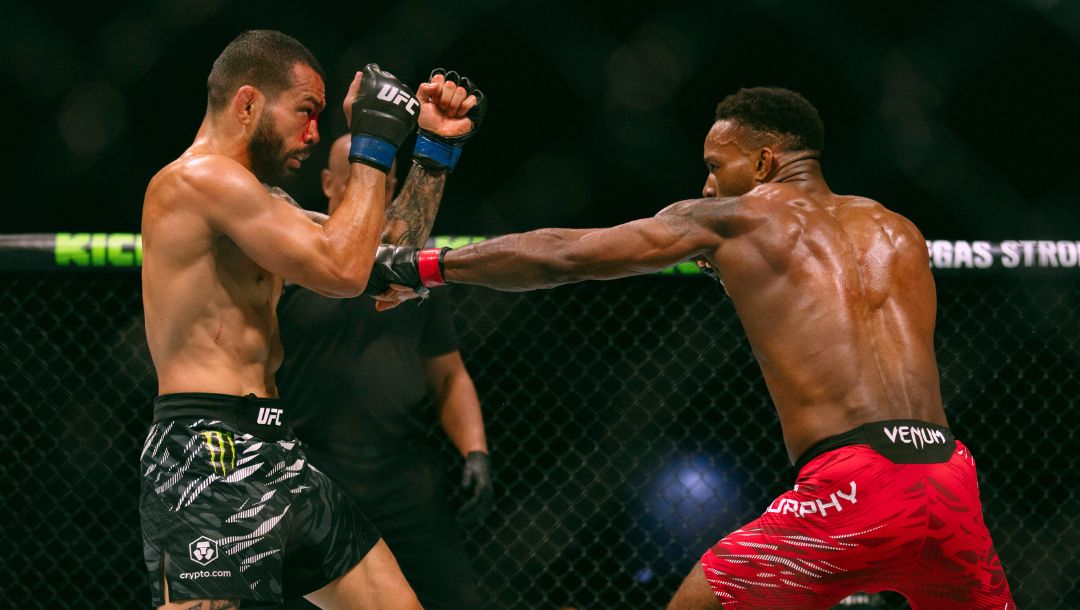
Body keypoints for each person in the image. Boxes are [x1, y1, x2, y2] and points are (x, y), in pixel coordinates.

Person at [365, 87, 1016, 608]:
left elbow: (566, 254)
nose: (705, 185)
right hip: (950, 478)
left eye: (715, 166)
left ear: (763, 163)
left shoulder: (734, 219)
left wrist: (424, 266)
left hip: (851, 485)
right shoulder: (898, 229)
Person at [139, 29, 478, 609]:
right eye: (306, 111)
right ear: (247, 103)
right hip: (210, 449)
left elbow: (381, 263)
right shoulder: (196, 181)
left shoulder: (263, 205)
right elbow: (342, 270)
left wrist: (431, 152)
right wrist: (372, 137)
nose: (316, 134)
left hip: (279, 451)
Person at [275, 127, 492, 609]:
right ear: (329, 183)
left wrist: (475, 450)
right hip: (316, 473)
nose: (373, 184)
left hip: (405, 479)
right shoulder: (289, 258)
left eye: (383, 177)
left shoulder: (411, 266)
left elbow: (448, 374)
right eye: (359, 174)